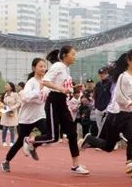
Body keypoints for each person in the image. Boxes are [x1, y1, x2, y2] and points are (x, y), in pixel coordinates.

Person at [82, 49, 132, 181]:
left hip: (129, 115)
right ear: (129, 61)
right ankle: (90, 139)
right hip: (116, 115)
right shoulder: (123, 77)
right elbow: (120, 98)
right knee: (108, 146)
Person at [32, 45, 89, 175]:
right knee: (53, 137)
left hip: (62, 102)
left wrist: (74, 88)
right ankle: (31, 141)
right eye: (73, 54)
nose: (75, 57)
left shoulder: (66, 69)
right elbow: (45, 81)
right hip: (53, 101)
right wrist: (60, 89)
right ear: (64, 55)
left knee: (72, 133)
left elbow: (64, 87)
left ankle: (76, 165)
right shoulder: (57, 66)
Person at [3, 58, 51, 172]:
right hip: (26, 117)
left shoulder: (47, 82)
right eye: (40, 66)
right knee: (19, 142)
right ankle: (6, 161)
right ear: (34, 68)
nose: (43, 68)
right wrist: (37, 92)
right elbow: (25, 97)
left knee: (48, 134)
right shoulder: (31, 82)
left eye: (44, 66)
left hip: (39, 114)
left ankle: (32, 145)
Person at [0, 82, 20, 147]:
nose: (5, 86)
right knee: (4, 128)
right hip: (5, 113)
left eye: (7, 85)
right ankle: (3, 141)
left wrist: (12, 108)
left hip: (12, 113)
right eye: (5, 85)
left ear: (11, 87)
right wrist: (3, 106)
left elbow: (19, 103)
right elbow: (1, 102)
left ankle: (12, 141)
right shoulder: (4, 94)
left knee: (12, 128)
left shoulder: (15, 94)